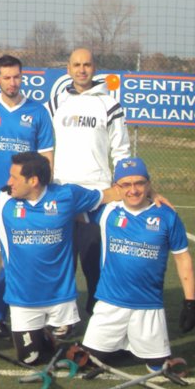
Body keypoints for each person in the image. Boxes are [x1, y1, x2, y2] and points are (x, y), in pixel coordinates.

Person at [0, 152, 123, 365]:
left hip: (60, 297)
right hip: (22, 299)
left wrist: (150, 194)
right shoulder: (2, 199)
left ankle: (57, 336)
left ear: (33, 181)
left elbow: (110, 194)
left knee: (57, 354)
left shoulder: (67, 195)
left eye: (14, 177)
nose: (9, 182)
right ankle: (46, 337)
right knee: (30, 359)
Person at [81, 157, 195, 371]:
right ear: (116, 187)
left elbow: (182, 258)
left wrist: (191, 303)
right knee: (87, 361)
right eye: (126, 184)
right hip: (110, 303)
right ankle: (120, 346)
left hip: (148, 306)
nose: (133, 190)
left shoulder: (167, 216)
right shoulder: (106, 212)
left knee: (158, 368)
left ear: (149, 184)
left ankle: (142, 351)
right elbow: (68, 206)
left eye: (139, 183)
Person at [47, 48, 131, 318]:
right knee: (62, 262)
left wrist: (123, 185)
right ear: (68, 69)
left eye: (86, 64)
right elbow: (40, 138)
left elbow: (121, 151)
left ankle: (99, 317)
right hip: (62, 193)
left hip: (98, 194)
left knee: (94, 261)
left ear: (94, 68)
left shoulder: (109, 104)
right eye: (76, 65)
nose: (81, 70)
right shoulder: (56, 103)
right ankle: (61, 318)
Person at [0, 54, 55, 337]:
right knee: (7, 258)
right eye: (7, 78)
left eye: (17, 77)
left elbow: (47, 158)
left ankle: (35, 314)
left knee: (31, 256)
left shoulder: (38, 112)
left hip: (30, 199)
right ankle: (1, 315)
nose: (13, 83)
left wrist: (42, 193)